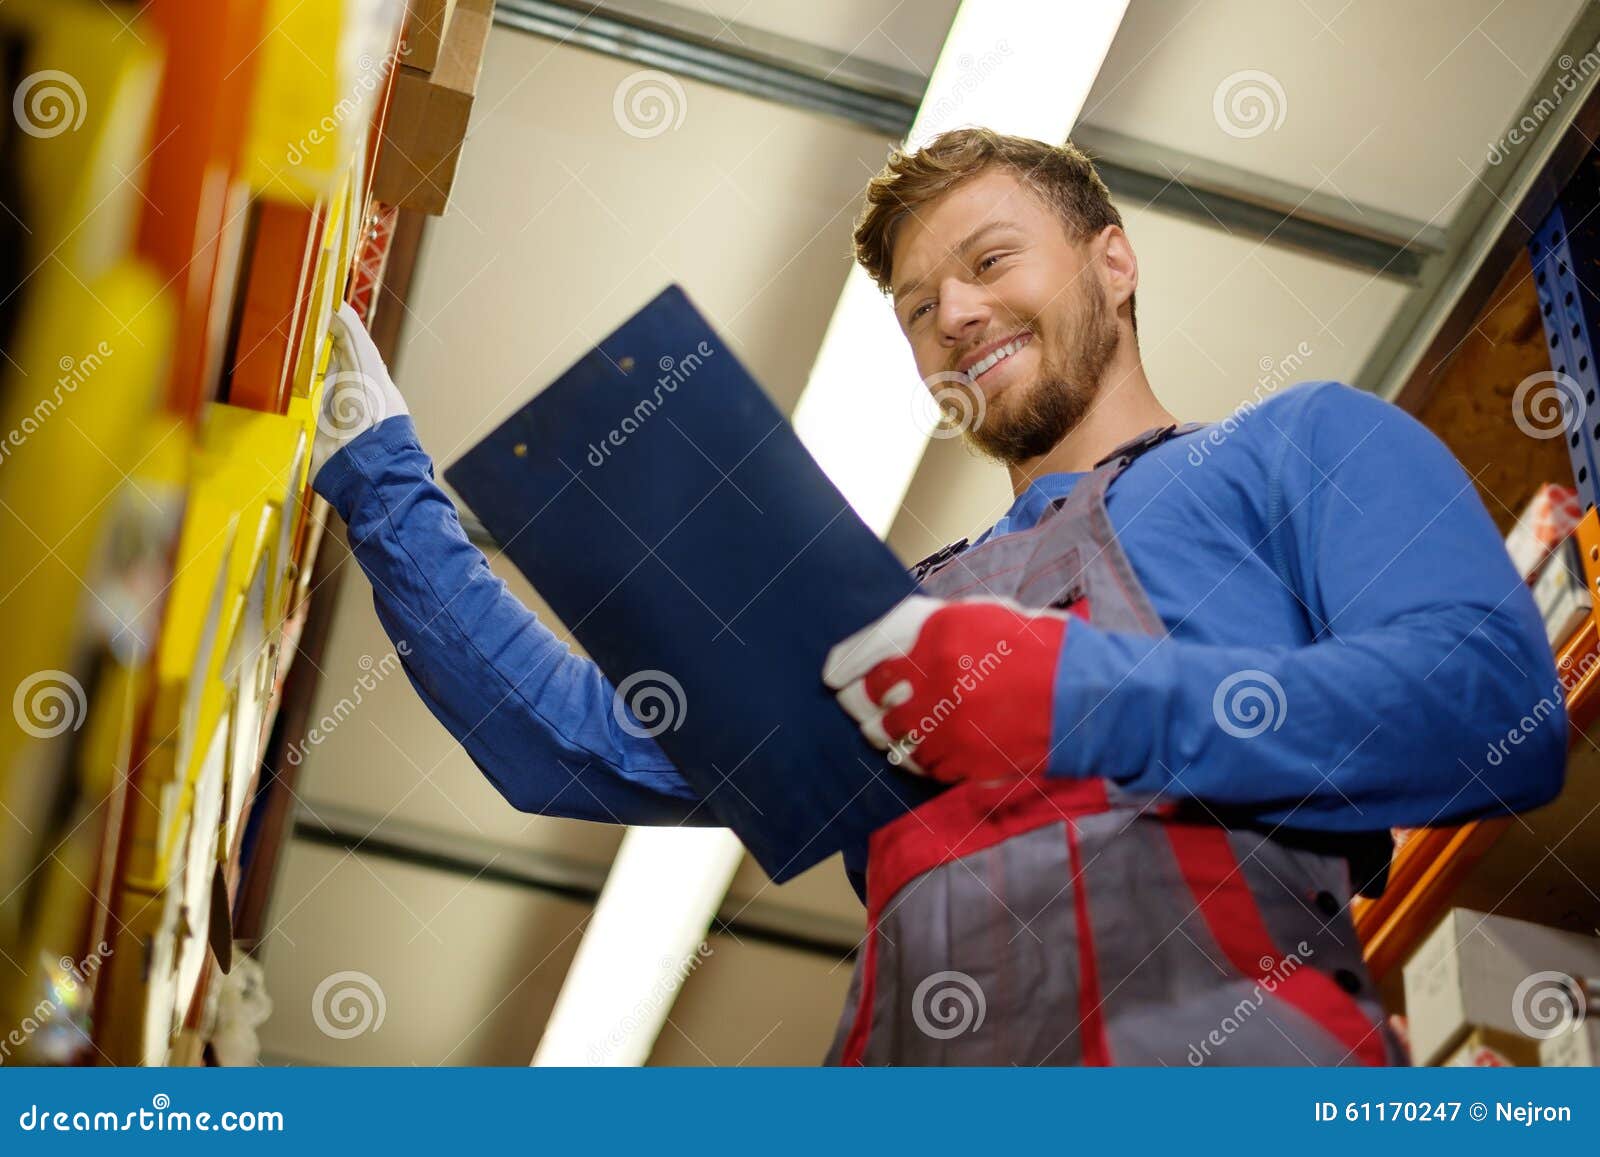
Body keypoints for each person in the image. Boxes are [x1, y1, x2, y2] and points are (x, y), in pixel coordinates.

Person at [310, 128, 1565, 1067]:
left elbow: (1492, 703)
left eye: (989, 260)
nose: (955, 314)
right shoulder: (883, 624)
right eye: (918, 308)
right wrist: (380, 476)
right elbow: (568, 743)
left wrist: (1082, 697)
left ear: (1113, 261)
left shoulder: (1297, 446)